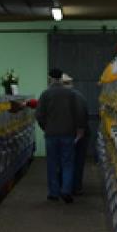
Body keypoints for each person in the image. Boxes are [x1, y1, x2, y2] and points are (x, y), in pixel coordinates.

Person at [35, 68, 87, 203]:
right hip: (68, 134)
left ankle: (54, 193)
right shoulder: (71, 94)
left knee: (52, 163)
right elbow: (79, 113)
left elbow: (39, 115)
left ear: (50, 78)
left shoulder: (45, 94)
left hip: (51, 135)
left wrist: (46, 128)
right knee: (68, 163)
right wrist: (79, 129)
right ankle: (66, 191)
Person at [61, 73, 90, 195]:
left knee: (65, 162)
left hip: (68, 133)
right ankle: (76, 187)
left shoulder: (61, 98)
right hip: (81, 133)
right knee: (78, 161)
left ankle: (66, 187)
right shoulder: (79, 96)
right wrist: (81, 130)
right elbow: (84, 114)